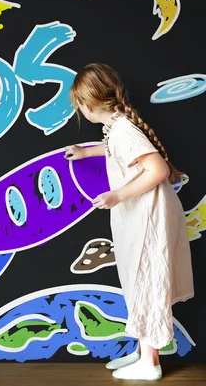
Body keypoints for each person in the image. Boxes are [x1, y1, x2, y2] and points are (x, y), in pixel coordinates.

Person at [65, 63, 194, 381]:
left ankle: (150, 362)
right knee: (138, 281)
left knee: (147, 281)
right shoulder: (116, 127)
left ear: (88, 103)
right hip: (139, 214)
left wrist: (117, 195)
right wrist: (86, 152)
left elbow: (158, 170)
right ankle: (141, 352)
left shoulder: (123, 129)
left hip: (148, 213)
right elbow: (116, 152)